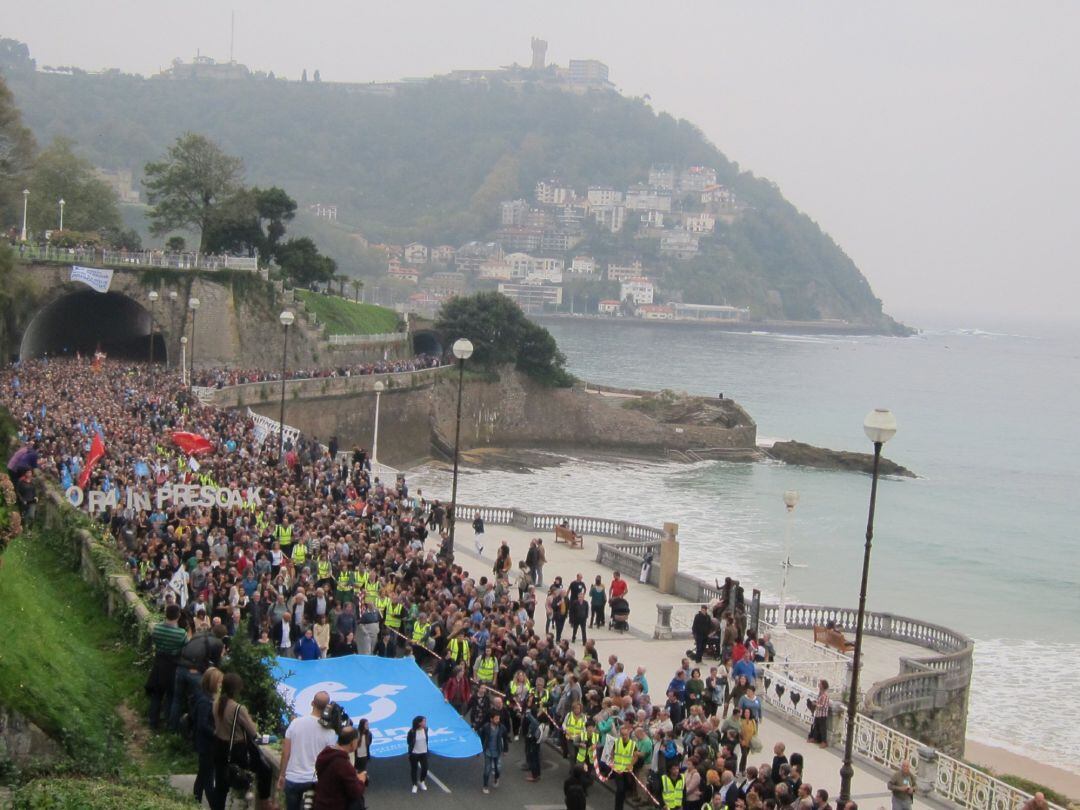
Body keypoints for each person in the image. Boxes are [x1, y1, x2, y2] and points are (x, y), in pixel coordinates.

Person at [212, 672, 274, 810]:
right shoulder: (238, 708)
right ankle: (265, 802)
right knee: (265, 770)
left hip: (219, 748)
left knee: (221, 788)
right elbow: (253, 732)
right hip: (236, 751)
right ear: (236, 689)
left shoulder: (216, 704)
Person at [278, 690, 336, 810]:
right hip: (314, 781)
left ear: (312, 703)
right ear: (327, 708)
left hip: (293, 778)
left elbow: (286, 753)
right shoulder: (330, 732)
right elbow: (330, 760)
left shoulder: (295, 724)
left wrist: (282, 775)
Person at [147, 603, 187, 730]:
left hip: (159, 664)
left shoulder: (157, 629)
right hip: (172, 666)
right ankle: (168, 723)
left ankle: (152, 722)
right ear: (178, 616)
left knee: (157, 694)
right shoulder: (181, 633)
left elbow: (154, 640)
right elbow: (185, 649)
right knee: (170, 695)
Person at [314, 726, 368, 810]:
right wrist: (361, 780)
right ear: (353, 743)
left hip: (320, 804)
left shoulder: (324, 755)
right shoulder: (343, 764)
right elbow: (355, 791)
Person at [192, 667, 223, 806]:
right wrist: (216, 732)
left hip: (208, 745)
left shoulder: (209, 699)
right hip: (206, 745)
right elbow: (202, 724)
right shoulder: (205, 701)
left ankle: (194, 801)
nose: (221, 686)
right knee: (208, 778)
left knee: (202, 775)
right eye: (219, 682)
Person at [610, 722, 638, 810]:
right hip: (618, 770)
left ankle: (620, 805)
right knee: (620, 789)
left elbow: (635, 756)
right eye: (622, 735)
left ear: (628, 734)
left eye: (625, 735)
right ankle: (618, 808)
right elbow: (612, 753)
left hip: (627, 771)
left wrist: (631, 764)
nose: (624, 736)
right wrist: (612, 761)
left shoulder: (633, 744)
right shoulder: (617, 742)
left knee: (624, 790)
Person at [479, 711, 508, 794]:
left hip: (497, 751)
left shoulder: (502, 728)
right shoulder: (486, 727)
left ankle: (496, 779)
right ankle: (485, 786)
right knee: (487, 769)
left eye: (498, 718)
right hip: (488, 751)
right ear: (491, 719)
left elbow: (505, 739)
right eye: (496, 719)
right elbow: (481, 737)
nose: (498, 720)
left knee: (497, 768)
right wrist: (480, 748)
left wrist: (505, 749)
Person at [406, 715, 430, 793]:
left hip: (424, 752)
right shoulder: (412, 731)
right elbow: (409, 742)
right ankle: (414, 785)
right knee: (414, 769)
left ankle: (422, 781)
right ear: (419, 723)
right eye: (424, 721)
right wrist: (411, 751)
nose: (425, 723)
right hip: (414, 753)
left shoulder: (426, 729)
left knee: (425, 768)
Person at [807, 681, 830, 747]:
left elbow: (824, 706)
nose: (818, 685)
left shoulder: (825, 695)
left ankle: (824, 742)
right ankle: (815, 738)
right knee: (816, 727)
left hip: (822, 715)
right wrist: (816, 702)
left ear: (822, 686)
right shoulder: (820, 693)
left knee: (822, 729)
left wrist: (816, 704)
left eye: (820, 684)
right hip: (818, 714)